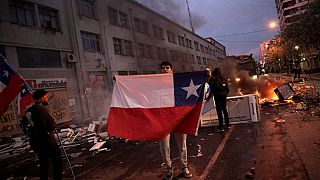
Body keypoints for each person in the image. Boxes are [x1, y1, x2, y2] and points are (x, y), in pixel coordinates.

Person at [159, 61, 193, 180]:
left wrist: (206, 75)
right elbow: (140, 85)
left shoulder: (178, 81)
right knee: (164, 147)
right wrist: (121, 81)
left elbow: (196, 82)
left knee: (182, 144)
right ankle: (169, 168)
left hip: (179, 118)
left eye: (167, 68)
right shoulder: (156, 83)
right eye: (163, 68)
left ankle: (184, 167)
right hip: (163, 120)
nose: (165, 70)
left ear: (171, 70)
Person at [24, 89, 63, 180]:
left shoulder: (29, 111)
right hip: (47, 140)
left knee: (43, 164)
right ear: (41, 98)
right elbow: (51, 125)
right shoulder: (41, 109)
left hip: (35, 142)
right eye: (45, 96)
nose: (47, 98)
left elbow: (26, 126)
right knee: (57, 162)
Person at [207, 68, 230, 132]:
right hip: (223, 95)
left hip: (217, 96)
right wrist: (225, 94)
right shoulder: (224, 79)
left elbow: (210, 88)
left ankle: (221, 127)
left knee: (219, 111)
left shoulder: (213, 79)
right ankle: (228, 124)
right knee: (224, 110)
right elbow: (227, 88)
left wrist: (208, 97)